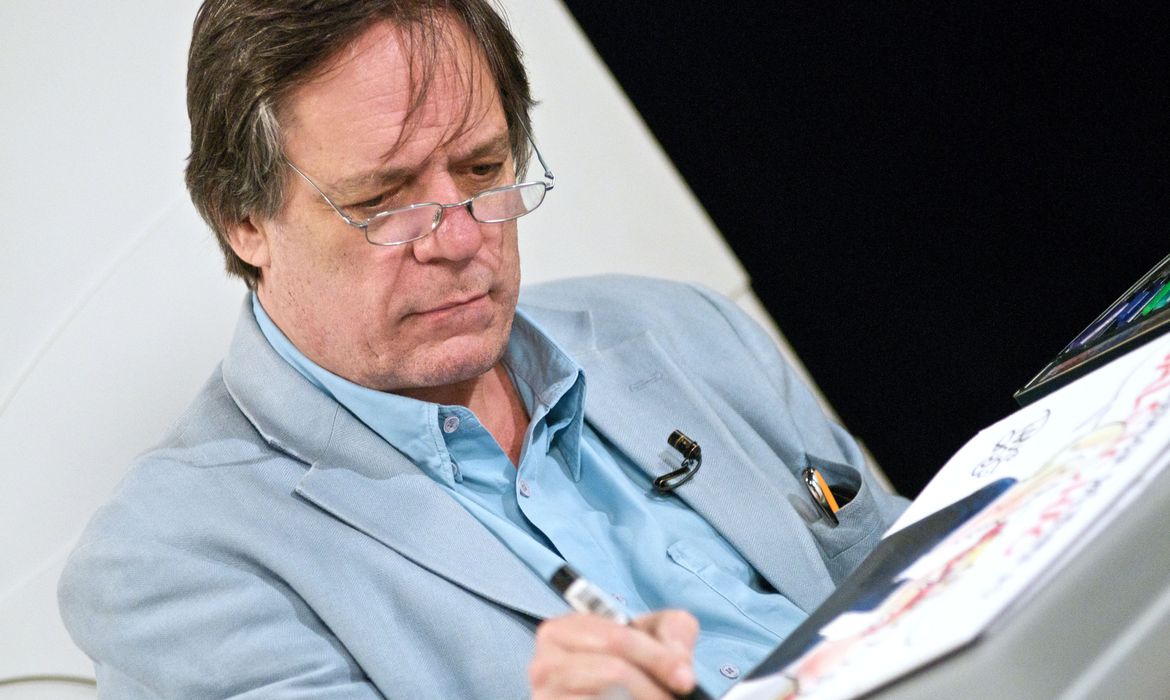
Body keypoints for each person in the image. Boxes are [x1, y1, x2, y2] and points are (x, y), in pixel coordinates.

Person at [58, 1, 907, 698]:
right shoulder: (169, 566)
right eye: (384, 198)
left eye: (482, 169)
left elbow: (918, 569)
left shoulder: (682, 328)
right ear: (244, 220)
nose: (462, 239)